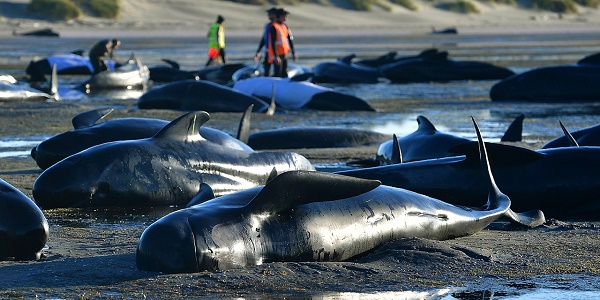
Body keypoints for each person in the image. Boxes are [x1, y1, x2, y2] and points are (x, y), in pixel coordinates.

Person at [268, 8, 296, 78]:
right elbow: (273, 42)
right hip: (277, 54)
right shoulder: (274, 26)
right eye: (284, 15)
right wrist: (276, 56)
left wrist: (293, 52)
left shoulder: (284, 26)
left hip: (284, 53)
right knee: (277, 72)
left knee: (284, 71)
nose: (286, 17)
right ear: (279, 16)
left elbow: (290, 40)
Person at [253, 7, 278, 76]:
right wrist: (258, 52)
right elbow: (264, 40)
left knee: (278, 72)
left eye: (270, 14)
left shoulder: (278, 26)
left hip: (278, 54)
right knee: (266, 70)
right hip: (268, 53)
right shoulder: (268, 26)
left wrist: (276, 56)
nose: (269, 15)